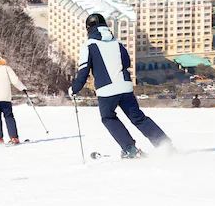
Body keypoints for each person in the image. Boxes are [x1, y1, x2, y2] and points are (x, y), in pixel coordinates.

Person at [69, 13, 172, 158]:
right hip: (125, 87)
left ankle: (130, 149)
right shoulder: (117, 43)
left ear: (88, 28)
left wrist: (74, 89)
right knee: (139, 118)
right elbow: (126, 62)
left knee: (108, 118)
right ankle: (165, 145)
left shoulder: (89, 45)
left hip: (106, 90)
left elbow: (83, 71)